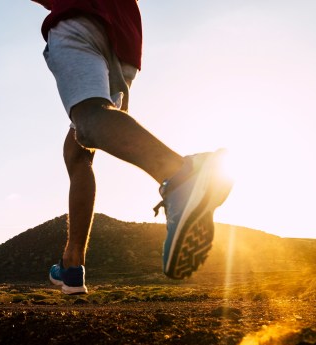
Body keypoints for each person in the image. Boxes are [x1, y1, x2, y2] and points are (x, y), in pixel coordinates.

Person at [33, 0, 233, 295]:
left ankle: (181, 176)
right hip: (123, 39)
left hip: (80, 19)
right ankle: (72, 267)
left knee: (88, 121)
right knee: (79, 149)